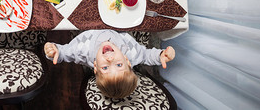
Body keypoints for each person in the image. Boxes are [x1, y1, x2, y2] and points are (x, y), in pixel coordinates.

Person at [44, 30, 175, 98]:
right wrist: (160, 55)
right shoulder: (132, 53)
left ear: (95, 67)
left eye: (105, 68)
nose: (110, 60)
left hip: (90, 25)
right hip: (119, 26)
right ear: (127, 61)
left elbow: (65, 53)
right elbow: (146, 56)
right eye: (119, 65)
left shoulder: (82, 50)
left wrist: (55, 51)